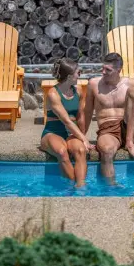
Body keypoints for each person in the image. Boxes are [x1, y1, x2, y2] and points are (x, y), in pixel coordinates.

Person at [84, 52, 134, 183]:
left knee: (133, 89)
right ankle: (111, 188)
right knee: (107, 151)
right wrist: (82, 137)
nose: (103, 72)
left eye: (108, 70)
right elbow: (87, 112)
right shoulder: (93, 84)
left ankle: (129, 142)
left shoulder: (129, 84)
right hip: (108, 130)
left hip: (130, 130)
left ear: (118, 70)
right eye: (102, 68)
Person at [41, 58, 94, 187]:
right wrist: (84, 139)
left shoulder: (79, 90)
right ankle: (71, 186)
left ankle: (81, 186)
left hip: (71, 133)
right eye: (78, 72)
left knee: (81, 150)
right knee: (61, 152)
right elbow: (66, 121)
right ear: (70, 76)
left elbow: (80, 116)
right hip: (52, 132)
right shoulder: (53, 94)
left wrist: (82, 136)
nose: (80, 75)